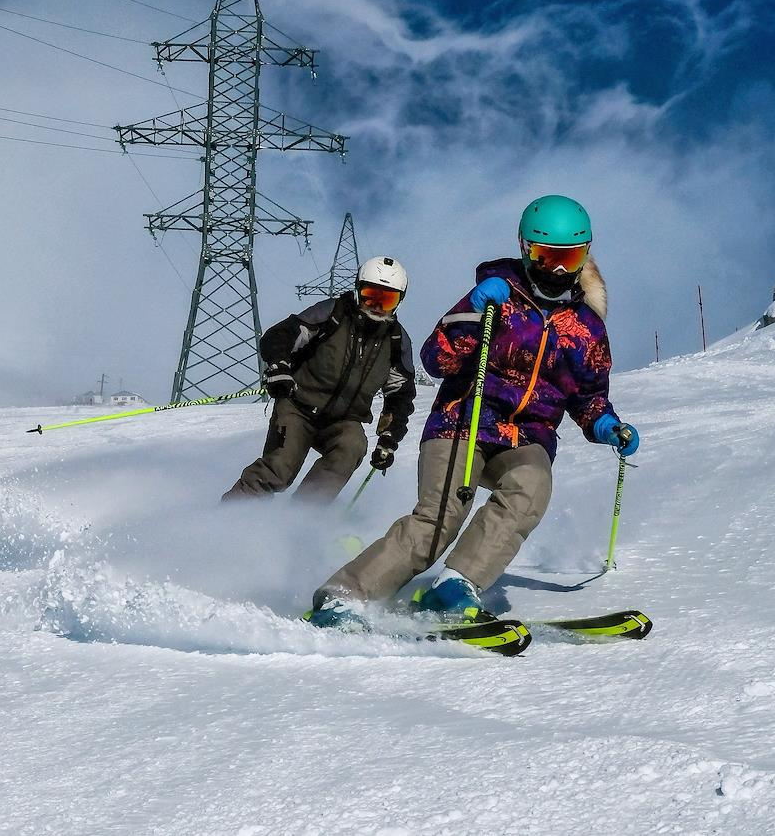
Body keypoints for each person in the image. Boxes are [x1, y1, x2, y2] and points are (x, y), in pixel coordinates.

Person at [309, 195, 639, 626]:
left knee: (531, 490)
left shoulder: (586, 327)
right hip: (463, 422)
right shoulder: (495, 296)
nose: (558, 270)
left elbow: (588, 395)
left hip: (528, 436)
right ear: (525, 249)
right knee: (441, 517)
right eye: (546, 256)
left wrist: (606, 423)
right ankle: (344, 595)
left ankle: (456, 585)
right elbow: (436, 360)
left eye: (571, 257)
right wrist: (472, 312)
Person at [222, 256, 417, 505]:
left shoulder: (396, 341)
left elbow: (400, 392)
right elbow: (281, 335)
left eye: (387, 299)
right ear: (358, 291)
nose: (377, 306)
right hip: (299, 406)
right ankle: (229, 514)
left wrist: (390, 436)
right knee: (280, 468)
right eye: (370, 296)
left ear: (399, 301)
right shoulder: (332, 314)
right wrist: (279, 367)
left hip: (342, 420)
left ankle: (301, 519)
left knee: (353, 444)